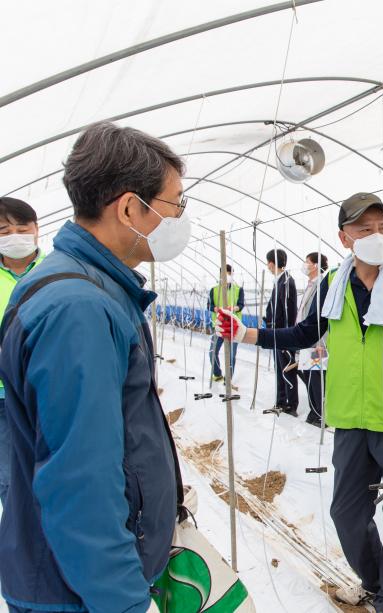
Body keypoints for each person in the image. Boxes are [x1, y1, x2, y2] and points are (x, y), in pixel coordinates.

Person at [217, 192, 383, 613]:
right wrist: (247, 334)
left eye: (382, 228)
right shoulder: (333, 285)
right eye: (365, 229)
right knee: (346, 513)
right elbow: (304, 334)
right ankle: (374, 582)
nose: (376, 235)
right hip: (350, 418)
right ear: (344, 237)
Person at [0, 121, 187, 612]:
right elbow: (80, 482)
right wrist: (124, 601)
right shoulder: (78, 308)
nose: (180, 219)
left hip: (76, 583)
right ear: (129, 208)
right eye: (174, 206)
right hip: (76, 594)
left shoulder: (90, 287)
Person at [0, 197, 43, 508]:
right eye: (4, 230)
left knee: (49, 471)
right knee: (9, 478)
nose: (14, 236)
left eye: (21, 227)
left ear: (36, 230)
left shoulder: (56, 270)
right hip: (2, 397)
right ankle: (21, 546)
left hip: (46, 391)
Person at [264, 248, 298, 415]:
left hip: (283, 334)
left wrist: (285, 335)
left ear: (271, 263)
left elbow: (288, 312)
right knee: (280, 369)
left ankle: (291, 405)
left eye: (268, 263)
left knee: (287, 369)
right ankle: (281, 402)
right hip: (277, 334)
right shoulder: (280, 281)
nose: (268, 266)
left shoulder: (286, 282)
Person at [297, 251, 329, 426]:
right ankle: (314, 410)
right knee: (308, 373)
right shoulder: (311, 285)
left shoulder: (321, 285)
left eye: (307, 261)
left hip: (317, 341)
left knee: (316, 376)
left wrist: (318, 342)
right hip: (306, 339)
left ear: (315, 265)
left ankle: (321, 414)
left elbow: (320, 316)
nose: (305, 265)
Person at [207, 263, 245, 383]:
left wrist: (233, 308)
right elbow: (209, 305)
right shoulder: (214, 290)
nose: (227, 276)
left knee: (231, 355)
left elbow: (241, 305)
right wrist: (216, 309)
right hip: (218, 326)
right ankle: (217, 374)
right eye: (225, 273)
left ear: (232, 275)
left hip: (234, 327)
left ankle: (227, 380)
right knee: (212, 352)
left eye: (229, 273)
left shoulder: (238, 289)